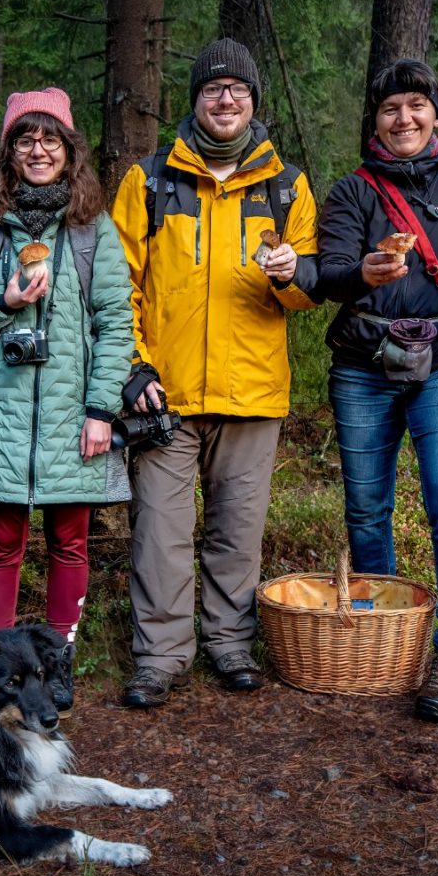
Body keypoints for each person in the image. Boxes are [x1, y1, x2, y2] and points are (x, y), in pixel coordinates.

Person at [110, 38, 319, 708]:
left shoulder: (287, 186)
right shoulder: (148, 181)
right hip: (163, 394)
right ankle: (161, 656)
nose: (225, 99)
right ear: (196, 100)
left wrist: (292, 277)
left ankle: (229, 644)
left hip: (252, 391)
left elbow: (308, 286)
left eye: (238, 89)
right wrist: (134, 366)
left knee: (237, 531)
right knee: (160, 535)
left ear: (253, 102)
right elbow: (118, 289)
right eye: (212, 89)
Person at [0, 88, 133, 712]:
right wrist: (7, 303)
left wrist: (102, 411)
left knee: (71, 544)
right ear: (9, 153)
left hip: (73, 419)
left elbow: (114, 323)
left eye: (51, 139)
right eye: (26, 139)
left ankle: (58, 662)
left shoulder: (91, 231)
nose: (39, 150)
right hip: (1, 421)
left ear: (71, 151)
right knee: (1, 545)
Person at [312, 59, 438, 722]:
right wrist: (363, 270)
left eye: (417, 105)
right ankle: (388, 637)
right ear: (376, 120)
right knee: (366, 511)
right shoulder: (352, 192)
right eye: (391, 108)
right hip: (362, 362)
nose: (404, 118)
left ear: (436, 114)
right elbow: (328, 278)